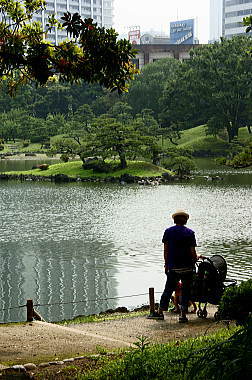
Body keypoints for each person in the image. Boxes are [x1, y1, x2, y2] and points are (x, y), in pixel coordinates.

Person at [154, 209, 200, 323]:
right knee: (186, 291)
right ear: (185, 221)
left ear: (174, 220)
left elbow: (166, 250)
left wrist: (166, 264)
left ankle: (160, 312)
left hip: (173, 267)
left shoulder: (168, 232)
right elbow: (192, 251)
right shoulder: (190, 233)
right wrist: (196, 258)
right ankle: (183, 315)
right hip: (188, 268)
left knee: (168, 289)